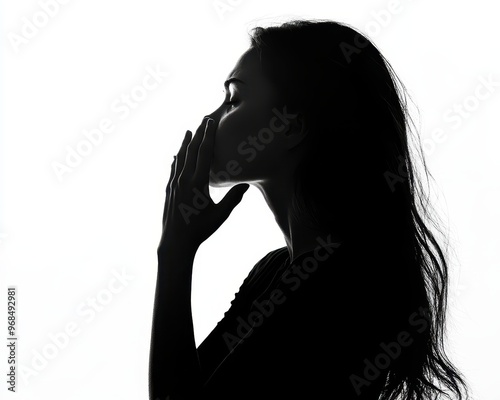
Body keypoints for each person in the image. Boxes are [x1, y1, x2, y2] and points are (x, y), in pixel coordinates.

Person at [149, 19, 470, 400]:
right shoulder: (276, 270)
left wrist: (174, 253)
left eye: (234, 99)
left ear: (289, 126)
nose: (210, 119)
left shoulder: (337, 284)